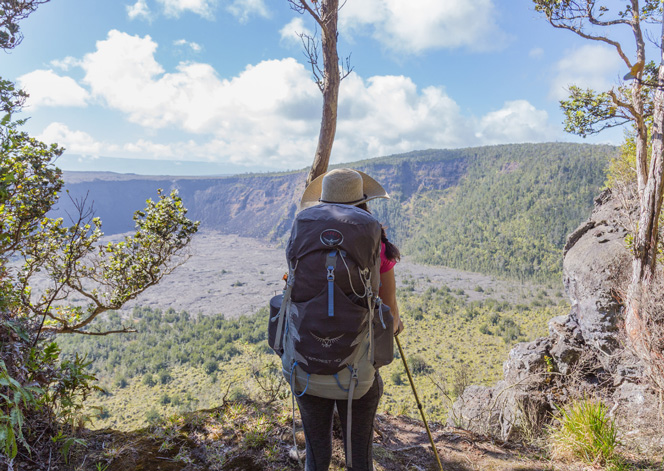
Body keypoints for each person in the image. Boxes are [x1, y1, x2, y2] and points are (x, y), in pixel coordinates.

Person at [296, 168, 403, 471]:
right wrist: (394, 325)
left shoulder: (305, 237)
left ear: (324, 199)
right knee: (359, 459)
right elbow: (390, 315)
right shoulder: (377, 245)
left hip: (306, 365)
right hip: (358, 371)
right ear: (363, 202)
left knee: (316, 459)